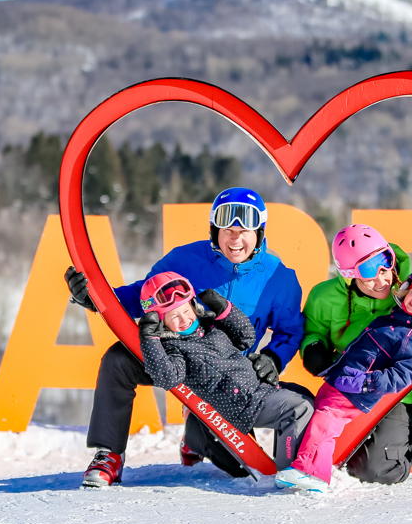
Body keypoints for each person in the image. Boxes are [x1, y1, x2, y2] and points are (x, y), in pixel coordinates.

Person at [65, 187, 305, 487]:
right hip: (172, 360)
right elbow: (142, 295)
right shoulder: (185, 259)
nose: (235, 240)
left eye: (244, 232)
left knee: (241, 467)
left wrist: (273, 357)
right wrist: (96, 299)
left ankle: (195, 435)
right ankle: (109, 454)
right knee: (118, 359)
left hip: (225, 379)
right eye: (227, 231)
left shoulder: (278, 277)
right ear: (214, 231)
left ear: (259, 233)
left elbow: (290, 330)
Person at [276, 264, 412, 493]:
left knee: (326, 422)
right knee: (321, 417)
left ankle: (312, 472)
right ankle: (308, 468)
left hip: (356, 388)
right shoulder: (398, 318)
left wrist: (365, 382)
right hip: (343, 380)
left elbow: (403, 376)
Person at [134, 272, 313, 480]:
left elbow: (246, 338)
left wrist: (224, 309)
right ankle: (290, 473)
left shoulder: (210, 325)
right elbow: (168, 378)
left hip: (255, 390)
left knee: (304, 395)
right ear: (160, 322)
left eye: (186, 310)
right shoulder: (174, 347)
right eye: (174, 317)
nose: (184, 319)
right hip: (239, 404)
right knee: (297, 409)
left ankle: (294, 458)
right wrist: (150, 340)